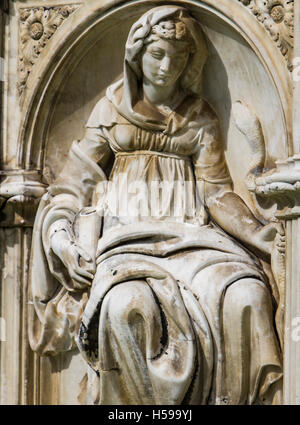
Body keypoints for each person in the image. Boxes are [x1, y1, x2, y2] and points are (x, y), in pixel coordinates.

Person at [29, 5, 283, 404]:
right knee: (125, 305)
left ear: (189, 61)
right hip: (126, 243)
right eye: (158, 54)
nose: (167, 66)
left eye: (178, 57)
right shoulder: (111, 110)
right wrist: (60, 236)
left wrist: (263, 236)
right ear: (137, 53)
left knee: (247, 293)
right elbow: (71, 186)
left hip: (194, 240)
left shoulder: (200, 117)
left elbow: (216, 193)